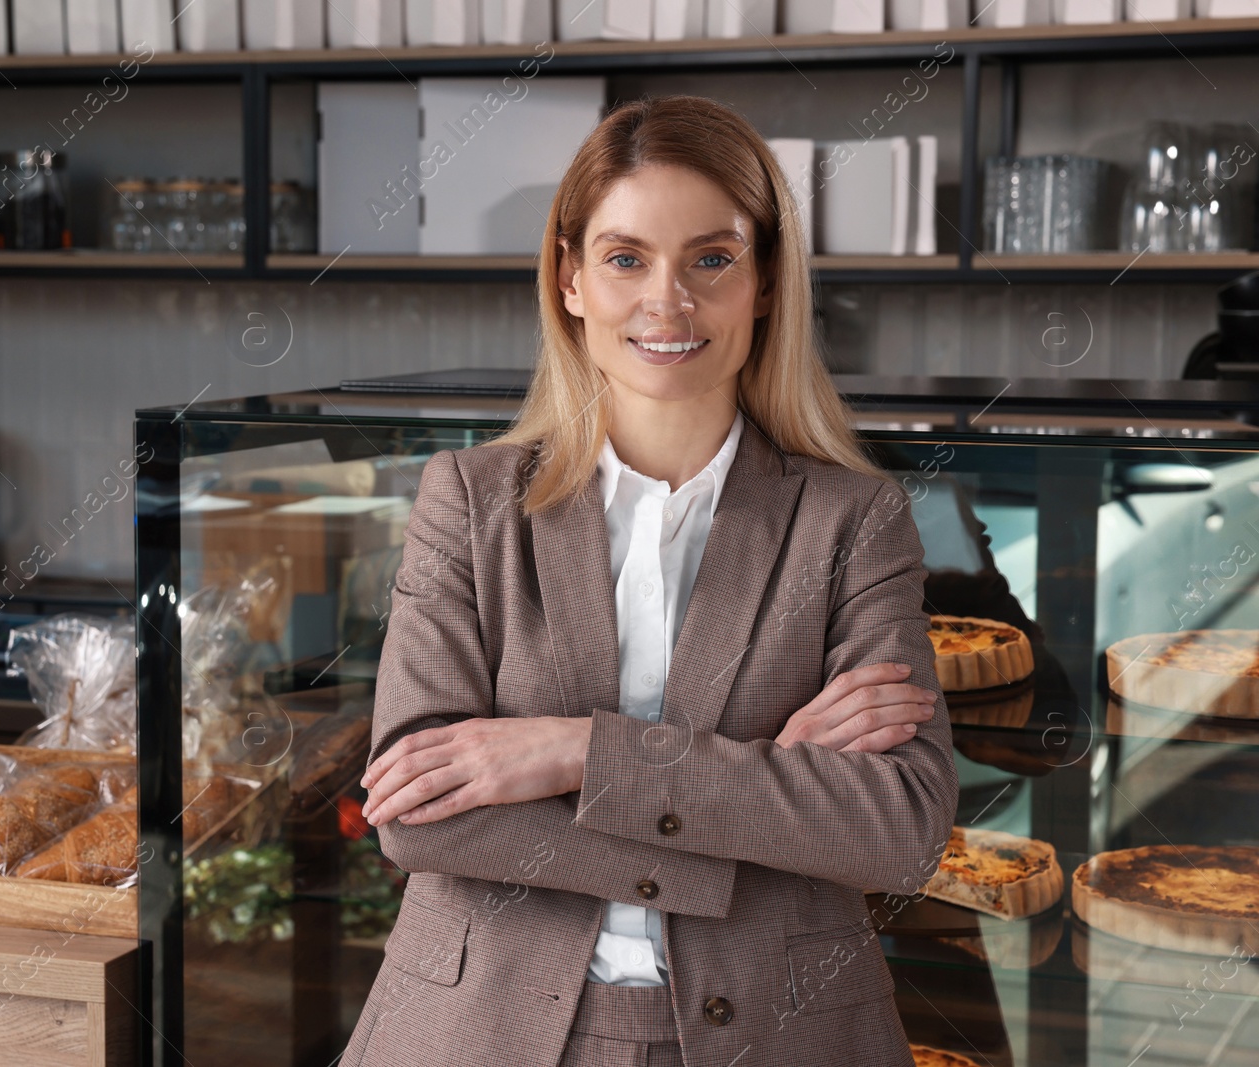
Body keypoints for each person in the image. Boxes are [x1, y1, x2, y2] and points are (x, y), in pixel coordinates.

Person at [346, 95, 958, 1067]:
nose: (666, 301)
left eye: (711, 258)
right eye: (625, 257)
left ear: (762, 282)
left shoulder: (855, 519)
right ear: (570, 279)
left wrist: (574, 750)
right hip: (479, 1029)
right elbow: (417, 816)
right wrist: (758, 798)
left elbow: (898, 830)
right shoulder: (467, 500)